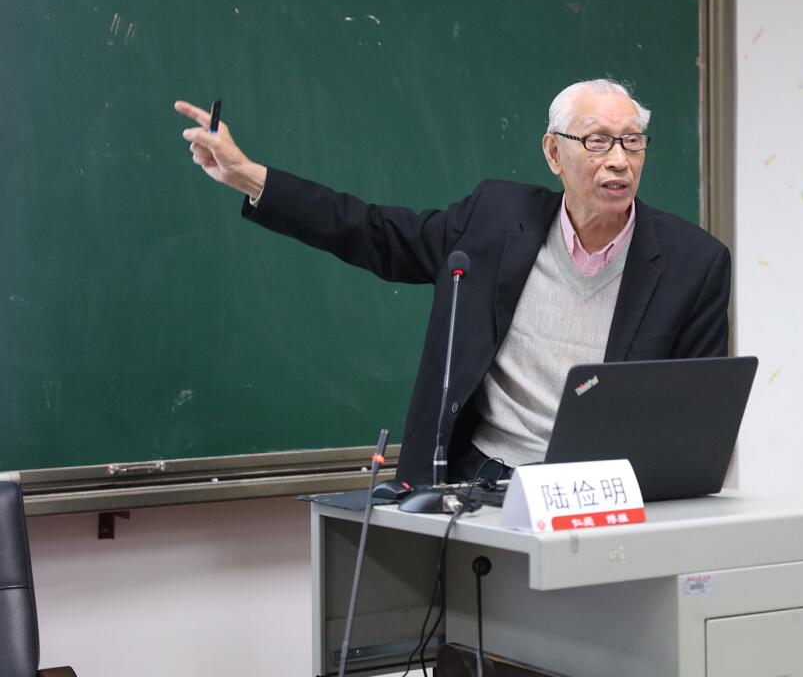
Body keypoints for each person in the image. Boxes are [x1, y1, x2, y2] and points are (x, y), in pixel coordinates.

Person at [175, 79, 730, 486]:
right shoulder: (493, 220)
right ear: (553, 152)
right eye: (598, 141)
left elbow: (698, 421)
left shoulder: (693, 263)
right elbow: (375, 232)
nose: (619, 161)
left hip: (604, 495)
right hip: (483, 482)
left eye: (633, 142)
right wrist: (249, 176)